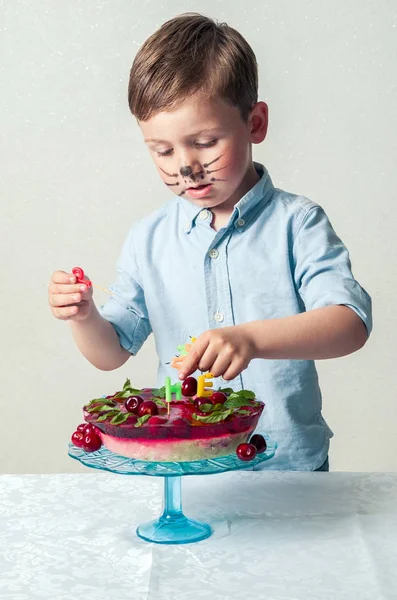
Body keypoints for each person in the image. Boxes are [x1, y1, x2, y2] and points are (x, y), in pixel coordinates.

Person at [48, 13, 372, 471]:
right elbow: (112, 352)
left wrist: (252, 339)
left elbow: (350, 324)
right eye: (163, 150)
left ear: (255, 123)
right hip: (186, 472)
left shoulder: (296, 223)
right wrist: (83, 316)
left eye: (205, 142)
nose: (185, 166)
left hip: (289, 475)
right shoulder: (149, 238)